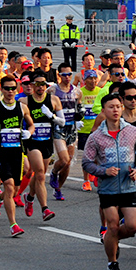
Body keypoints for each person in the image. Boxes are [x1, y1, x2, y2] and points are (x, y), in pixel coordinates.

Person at [81, 93, 136, 270]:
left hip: (129, 186)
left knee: (133, 226)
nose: (115, 110)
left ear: (122, 108)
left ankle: (111, 239)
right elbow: (87, 163)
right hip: (108, 189)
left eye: (118, 106)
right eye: (111, 107)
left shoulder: (133, 132)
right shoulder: (96, 137)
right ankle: (112, 262)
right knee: (113, 225)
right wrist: (103, 172)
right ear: (103, 111)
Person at [0, 75, 35, 236]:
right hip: (2, 153)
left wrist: (28, 132)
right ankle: (13, 225)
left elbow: (31, 124)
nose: (10, 92)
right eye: (7, 88)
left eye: (13, 88)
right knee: (9, 185)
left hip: (18, 152)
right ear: (2, 90)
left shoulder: (22, 107)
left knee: (14, 190)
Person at [20, 73, 64, 221]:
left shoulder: (54, 100)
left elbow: (62, 122)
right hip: (32, 141)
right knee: (39, 174)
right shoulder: (24, 101)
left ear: (47, 86)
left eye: (43, 84)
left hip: (47, 141)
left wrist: (51, 116)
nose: (40, 87)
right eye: (37, 84)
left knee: (40, 175)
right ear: (32, 85)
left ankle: (30, 197)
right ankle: (45, 209)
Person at [49, 64, 83, 200]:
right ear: (59, 75)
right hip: (58, 128)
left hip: (72, 128)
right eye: (64, 75)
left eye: (69, 74)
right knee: (64, 159)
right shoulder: (52, 90)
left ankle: (58, 188)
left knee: (68, 163)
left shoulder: (77, 91)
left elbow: (80, 107)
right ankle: (54, 172)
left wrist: (80, 115)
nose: (67, 77)